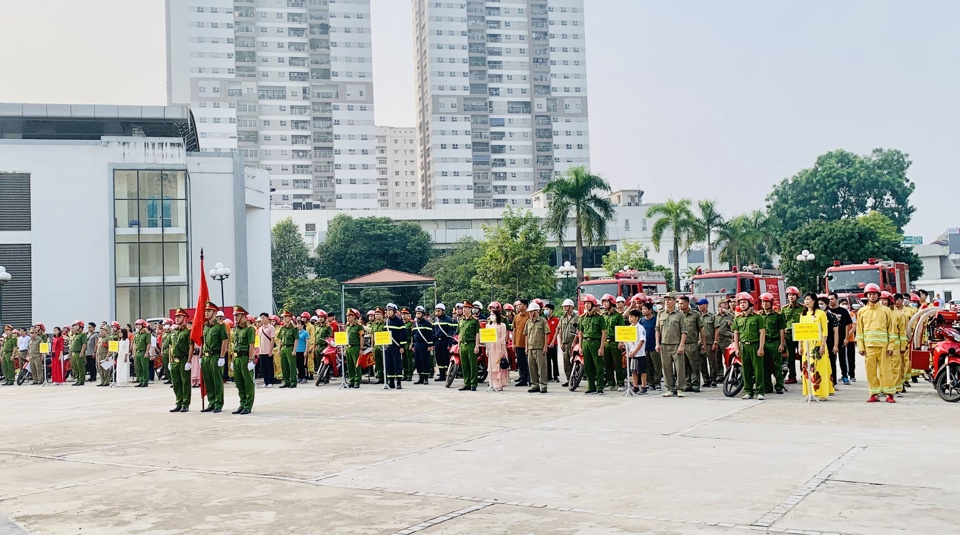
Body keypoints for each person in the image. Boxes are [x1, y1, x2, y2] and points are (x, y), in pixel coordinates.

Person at [732, 293, 766, 400]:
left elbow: (762, 333)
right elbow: (736, 334)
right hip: (743, 346)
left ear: (750, 303)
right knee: (745, 370)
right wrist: (736, 348)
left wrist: (761, 348)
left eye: (744, 302)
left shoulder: (758, 317)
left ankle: (760, 391)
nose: (742, 305)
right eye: (741, 303)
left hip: (755, 345)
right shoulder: (738, 318)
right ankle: (748, 391)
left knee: (758, 369)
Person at [800, 292, 833, 401]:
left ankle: (821, 393)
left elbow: (825, 331)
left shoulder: (821, 314)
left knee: (819, 368)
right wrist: (800, 345)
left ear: (814, 301)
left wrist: (823, 345)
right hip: (806, 345)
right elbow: (800, 331)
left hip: (818, 344)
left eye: (808, 299)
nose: (806, 301)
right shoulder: (803, 314)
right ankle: (809, 392)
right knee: (807, 367)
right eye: (805, 299)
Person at [656, 293, 688, 398]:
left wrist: (682, 345)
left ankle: (680, 388)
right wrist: (657, 343)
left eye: (669, 299)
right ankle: (670, 388)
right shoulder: (660, 314)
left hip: (676, 344)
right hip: (664, 344)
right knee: (666, 368)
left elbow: (684, 331)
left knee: (679, 368)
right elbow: (657, 330)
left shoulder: (680, 315)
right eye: (666, 300)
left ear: (675, 301)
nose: (667, 301)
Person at [200, 301, 230, 412]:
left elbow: (224, 341)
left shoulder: (221, 326)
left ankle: (218, 403)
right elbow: (203, 342)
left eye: (209, 311)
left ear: (214, 312)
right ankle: (211, 402)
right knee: (208, 381)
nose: (206, 313)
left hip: (216, 356)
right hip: (206, 356)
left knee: (217, 381)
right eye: (206, 311)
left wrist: (222, 357)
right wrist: (200, 356)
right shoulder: (205, 326)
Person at [577, 294, 606, 395]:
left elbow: (603, 333)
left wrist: (601, 347)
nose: (586, 305)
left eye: (588, 303)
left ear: (594, 305)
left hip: (595, 342)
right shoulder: (582, 318)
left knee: (598, 366)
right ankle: (591, 387)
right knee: (587, 366)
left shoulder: (599, 318)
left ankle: (600, 387)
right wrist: (580, 346)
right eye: (585, 303)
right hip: (585, 342)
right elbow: (580, 333)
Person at [230, 305, 256, 415]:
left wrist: (250, 360)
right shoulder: (235, 329)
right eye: (234, 315)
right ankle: (242, 403)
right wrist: (232, 360)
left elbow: (251, 346)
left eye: (237, 315)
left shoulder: (249, 329)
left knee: (247, 383)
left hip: (245, 358)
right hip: (236, 358)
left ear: (243, 316)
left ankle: (248, 405)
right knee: (239, 383)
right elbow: (233, 345)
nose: (235, 317)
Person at [758, 293, 786, 394]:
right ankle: (768, 386)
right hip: (764, 343)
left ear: (771, 303)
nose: (765, 304)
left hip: (774, 342)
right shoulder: (759, 315)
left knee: (777, 366)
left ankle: (779, 386)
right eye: (763, 302)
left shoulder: (777, 315)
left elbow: (781, 330)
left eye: (767, 302)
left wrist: (781, 344)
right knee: (765, 366)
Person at [677, 295, 704, 393]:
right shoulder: (678, 315)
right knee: (684, 366)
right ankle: (687, 384)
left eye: (682, 303)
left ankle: (695, 384)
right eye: (679, 304)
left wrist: (703, 343)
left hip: (692, 343)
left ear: (688, 303)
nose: (680, 305)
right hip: (681, 344)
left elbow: (701, 329)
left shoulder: (695, 314)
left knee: (694, 365)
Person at [600, 294, 626, 390]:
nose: (604, 304)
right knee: (607, 364)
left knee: (618, 363)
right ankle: (611, 383)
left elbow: (621, 328)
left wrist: (620, 341)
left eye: (606, 302)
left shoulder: (618, 316)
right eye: (603, 302)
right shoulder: (603, 316)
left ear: (611, 303)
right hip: (606, 342)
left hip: (615, 341)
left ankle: (620, 383)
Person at [827, 293, 854, 385]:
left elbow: (847, 325)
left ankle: (845, 376)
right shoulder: (827, 312)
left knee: (842, 358)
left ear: (837, 299)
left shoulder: (843, 311)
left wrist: (846, 338)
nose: (830, 301)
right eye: (829, 299)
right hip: (831, 339)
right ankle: (832, 377)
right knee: (831, 359)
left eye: (832, 299)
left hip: (842, 337)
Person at [524, 301, 550, 394]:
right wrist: (526, 347)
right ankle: (534, 385)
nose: (530, 313)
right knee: (532, 368)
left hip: (540, 347)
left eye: (532, 311)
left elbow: (546, 334)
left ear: (537, 311)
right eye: (529, 312)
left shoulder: (543, 321)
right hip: (531, 348)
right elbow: (526, 335)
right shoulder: (528, 322)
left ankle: (543, 385)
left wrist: (545, 346)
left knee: (542, 368)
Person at [169, 308, 192, 412]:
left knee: (185, 383)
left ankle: (185, 403)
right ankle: (178, 402)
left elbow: (191, 346)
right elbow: (171, 347)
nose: (177, 319)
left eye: (179, 317)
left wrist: (189, 361)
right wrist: (170, 360)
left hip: (184, 359)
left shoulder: (187, 332)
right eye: (176, 317)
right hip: (175, 360)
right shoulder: (173, 332)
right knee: (176, 383)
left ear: (184, 318)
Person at [781, 287, 804, 384]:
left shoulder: (803, 308)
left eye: (793, 295)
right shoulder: (784, 308)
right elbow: (782, 323)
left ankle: (804, 375)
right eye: (789, 295)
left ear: (797, 296)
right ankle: (792, 376)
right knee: (790, 357)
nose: (791, 297)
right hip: (789, 335)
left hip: (800, 335)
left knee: (802, 355)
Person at [457, 301, 480, 391]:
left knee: (472, 365)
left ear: (470, 309)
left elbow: (477, 334)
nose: (463, 309)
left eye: (466, 308)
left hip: (471, 344)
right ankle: (467, 383)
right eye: (463, 308)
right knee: (464, 365)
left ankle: (473, 384)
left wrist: (477, 346)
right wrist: (458, 345)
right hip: (463, 344)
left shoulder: (474, 321)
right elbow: (459, 334)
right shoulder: (461, 321)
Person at [624, 309, 648, 394]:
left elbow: (642, 341)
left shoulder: (640, 328)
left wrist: (635, 351)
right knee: (633, 370)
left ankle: (644, 386)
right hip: (631, 352)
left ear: (637, 317)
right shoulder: (629, 328)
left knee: (641, 370)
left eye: (632, 317)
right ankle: (635, 386)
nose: (630, 318)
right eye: (629, 317)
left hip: (639, 353)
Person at [486, 308, 509, 391]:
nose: (491, 316)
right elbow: (486, 340)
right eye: (490, 314)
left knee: (499, 365)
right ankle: (492, 383)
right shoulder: (488, 326)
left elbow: (503, 338)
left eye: (493, 314)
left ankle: (500, 384)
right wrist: (487, 349)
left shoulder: (502, 325)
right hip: (491, 348)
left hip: (499, 347)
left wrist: (503, 351)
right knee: (492, 366)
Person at [384, 303, 407, 389]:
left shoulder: (399, 322)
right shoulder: (386, 321)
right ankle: (391, 382)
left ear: (394, 312)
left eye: (390, 311)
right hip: (387, 346)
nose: (388, 312)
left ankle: (398, 382)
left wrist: (402, 346)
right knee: (389, 364)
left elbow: (403, 335)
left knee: (397, 364)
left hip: (396, 346)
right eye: (387, 311)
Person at [557, 299, 579, 387]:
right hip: (565, 343)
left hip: (574, 343)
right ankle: (568, 379)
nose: (564, 308)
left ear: (571, 307)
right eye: (563, 307)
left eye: (566, 306)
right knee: (566, 362)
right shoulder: (562, 318)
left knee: (574, 361)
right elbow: (560, 330)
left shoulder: (577, 317)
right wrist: (561, 342)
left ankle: (575, 379)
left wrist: (575, 342)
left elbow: (578, 330)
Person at [639, 302, 660, 390]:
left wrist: (658, 344)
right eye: (642, 309)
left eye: (645, 309)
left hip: (654, 345)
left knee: (657, 365)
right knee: (647, 366)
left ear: (650, 310)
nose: (643, 311)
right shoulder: (641, 320)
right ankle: (650, 382)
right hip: (644, 346)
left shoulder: (656, 320)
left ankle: (657, 382)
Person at [410, 306, 434, 385]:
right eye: (417, 313)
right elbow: (413, 335)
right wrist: (413, 345)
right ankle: (421, 377)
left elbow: (430, 335)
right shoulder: (415, 323)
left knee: (424, 361)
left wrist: (430, 345)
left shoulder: (427, 323)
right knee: (418, 361)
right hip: (417, 344)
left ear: (423, 314)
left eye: (419, 313)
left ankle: (426, 378)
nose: (418, 315)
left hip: (424, 344)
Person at [697, 299, 718, 388]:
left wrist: (715, 342)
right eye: (698, 305)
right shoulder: (697, 316)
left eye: (701, 305)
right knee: (702, 364)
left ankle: (713, 380)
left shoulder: (712, 316)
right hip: (699, 343)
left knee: (712, 363)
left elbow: (717, 329)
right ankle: (706, 380)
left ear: (706, 305)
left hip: (710, 343)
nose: (699, 306)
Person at [714, 299, 735, 385]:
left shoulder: (730, 316)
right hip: (717, 340)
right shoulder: (715, 316)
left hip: (726, 340)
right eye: (724, 304)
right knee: (717, 359)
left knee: (728, 359)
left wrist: (731, 326)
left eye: (727, 304)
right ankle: (720, 375)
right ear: (719, 306)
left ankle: (729, 375)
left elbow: (735, 328)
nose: (726, 306)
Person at [432, 304, 455, 382]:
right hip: (437, 342)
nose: (437, 312)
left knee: (446, 359)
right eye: (436, 311)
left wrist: (449, 344)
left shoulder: (448, 319)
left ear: (443, 311)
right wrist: (433, 343)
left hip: (445, 341)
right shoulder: (435, 320)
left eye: (439, 311)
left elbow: (451, 332)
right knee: (439, 359)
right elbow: (433, 332)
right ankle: (442, 375)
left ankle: (448, 374)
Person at [343, 309, 364, 388]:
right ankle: (351, 380)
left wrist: (361, 349)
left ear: (354, 317)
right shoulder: (347, 326)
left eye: (349, 316)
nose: (347, 317)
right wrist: (345, 348)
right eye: (347, 316)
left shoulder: (358, 326)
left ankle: (357, 381)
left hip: (355, 347)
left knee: (357, 365)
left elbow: (361, 338)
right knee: (349, 365)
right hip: (348, 347)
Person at [512, 300, 531, 387]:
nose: (518, 306)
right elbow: (514, 330)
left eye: (520, 305)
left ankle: (530, 379)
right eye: (518, 305)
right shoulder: (516, 317)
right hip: (518, 343)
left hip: (528, 343)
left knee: (529, 362)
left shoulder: (529, 316)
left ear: (525, 305)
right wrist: (513, 343)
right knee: (520, 362)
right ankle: (523, 379)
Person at [257, 313, 276, 387]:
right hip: (262, 350)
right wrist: (258, 350)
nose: (262, 319)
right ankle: (265, 382)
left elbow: (272, 339)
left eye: (263, 317)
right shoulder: (260, 328)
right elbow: (259, 339)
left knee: (269, 367)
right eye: (261, 318)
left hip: (268, 350)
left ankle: (270, 382)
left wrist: (270, 350)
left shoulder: (271, 327)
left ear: (267, 318)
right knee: (263, 367)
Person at [544, 302, 560, 382]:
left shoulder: (556, 320)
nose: (545, 310)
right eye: (545, 309)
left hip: (554, 343)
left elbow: (557, 332)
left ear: (551, 310)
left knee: (554, 360)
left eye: (547, 309)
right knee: (547, 360)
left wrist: (553, 342)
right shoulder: (544, 320)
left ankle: (556, 376)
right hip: (546, 343)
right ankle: (548, 376)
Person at [69, 321, 88, 386]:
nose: (75, 327)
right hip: (74, 353)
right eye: (75, 325)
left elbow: (84, 344)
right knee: (75, 367)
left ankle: (81, 380)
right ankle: (77, 379)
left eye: (77, 325)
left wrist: (82, 352)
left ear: (80, 327)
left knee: (80, 367)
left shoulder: (82, 334)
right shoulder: (74, 335)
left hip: (79, 352)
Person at [132, 320, 151, 388]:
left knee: (144, 367)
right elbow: (135, 344)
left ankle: (145, 381)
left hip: (143, 351)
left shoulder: (147, 334)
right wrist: (134, 352)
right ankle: (140, 380)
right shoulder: (137, 334)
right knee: (138, 367)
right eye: (137, 325)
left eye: (139, 325)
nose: (137, 326)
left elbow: (148, 343)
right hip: (138, 352)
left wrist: (146, 352)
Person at [295, 319, 308, 383]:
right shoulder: (296, 332)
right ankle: (299, 377)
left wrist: (306, 351)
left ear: (302, 325)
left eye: (299, 324)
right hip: (297, 350)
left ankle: (304, 377)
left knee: (303, 365)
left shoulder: (305, 333)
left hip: (302, 350)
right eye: (297, 324)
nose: (298, 325)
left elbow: (307, 343)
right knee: (298, 365)